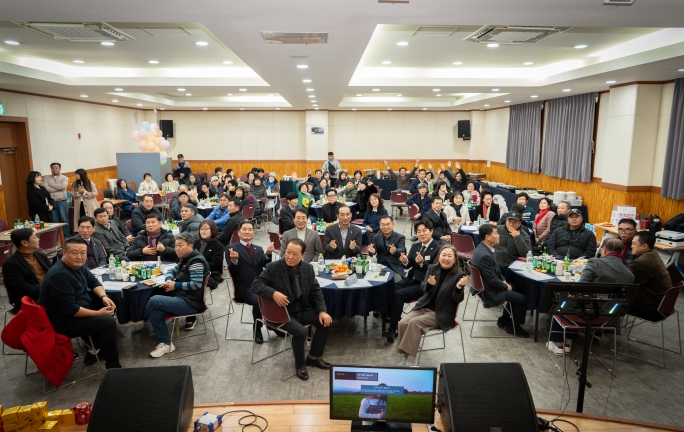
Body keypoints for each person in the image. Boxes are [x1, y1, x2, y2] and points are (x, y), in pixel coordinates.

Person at [252, 239, 332, 381]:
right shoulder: (273, 267)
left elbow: (316, 290)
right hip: (280, 313)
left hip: (301, 309)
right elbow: (256, 285)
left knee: (326, 322)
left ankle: (313, 357)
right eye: (288, 252)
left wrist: (322, 311)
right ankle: (300, 365)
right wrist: (273, 293)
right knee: (300, 332)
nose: (290, 257)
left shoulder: (307, 268)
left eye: (295, 254)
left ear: (303, 255)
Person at [40, 237, 122, 368]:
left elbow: (94, 282)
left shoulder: (78, 266)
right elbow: (70, 309)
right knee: (107, 322)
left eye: (83, 253)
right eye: (74, 253)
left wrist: (104, 297)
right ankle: (113, 366)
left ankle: (97, 347)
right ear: (64, 252)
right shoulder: (60, 275)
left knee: (109, 304)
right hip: (65, 321)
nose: (79, 257)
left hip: (79, 309)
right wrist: (98, 314)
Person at [547, 238, 634, 356]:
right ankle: (569, 341)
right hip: (608, 317)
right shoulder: (630, 275)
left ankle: (558, 344)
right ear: (622, 252)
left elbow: (580, 288)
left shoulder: (595, 262)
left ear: (604, 250)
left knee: (560, 302)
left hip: (584, 313)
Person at [396, 245, 468, 366]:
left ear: (455, 259)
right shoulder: (432, 268)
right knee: (402, 323)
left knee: (414, 323)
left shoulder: (459, 275)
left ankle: (410, 361)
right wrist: (429, 284)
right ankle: (406, 356)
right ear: (439, 257)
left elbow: (458, 298)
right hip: (423, 307)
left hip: (440, 313)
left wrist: (459, 287)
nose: (446, 258)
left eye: (449, 256)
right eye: (443, 255)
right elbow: (423, 288)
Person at [143, 232, 209, 357]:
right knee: (154, 313)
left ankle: (138, 318)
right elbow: (171, 271)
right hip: (182, 297)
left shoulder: (195, 262)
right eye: (176, 245)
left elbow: (196, 284)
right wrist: (169, 280)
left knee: (154, 300)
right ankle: (166, 343)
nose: (177, 248)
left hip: (191, 303)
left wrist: (175, 285)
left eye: (180, 245)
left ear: (190, 246)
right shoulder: (186, 258)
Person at [387, 219, 443, 341]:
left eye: (424, 230)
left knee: (398, 294)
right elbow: (409, 265)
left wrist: (423, 263)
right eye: (419, 231)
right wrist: (405, 261)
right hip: (410, 279)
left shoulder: (438, 249)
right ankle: (394, 318)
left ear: (431, 231)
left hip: (424, 284)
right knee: (389, 288)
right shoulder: (416, 246)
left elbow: (436, 271)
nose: (421, 234)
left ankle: (393, 327)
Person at [470, 223, 529, 337]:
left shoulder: (484, 248)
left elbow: (496, 272)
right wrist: (505, 286)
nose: (499, 235)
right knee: (522, 299)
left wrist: (504, 281)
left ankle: (504, 319)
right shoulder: (484, 255)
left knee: (518, 288)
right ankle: (514, 326)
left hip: (489, 285)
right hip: (489, 291)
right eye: (496, 233)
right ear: (487, 237)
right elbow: (492, 280)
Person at [227, 220, 275, 343]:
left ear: (253, 233)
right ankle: (257, 329)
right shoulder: (232, 248)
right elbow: (233, 271)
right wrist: (234, 261)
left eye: (250, 229)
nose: (247, 232)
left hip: (261, 285)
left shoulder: (258, 248)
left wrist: (268, 254)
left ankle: (273, 324)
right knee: (259, 301)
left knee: (278, 295)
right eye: (244, 229)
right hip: (245, 288)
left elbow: (265, 265)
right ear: (238, 233)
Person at [3, 228, 51, 311]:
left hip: (49, 292)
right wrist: (46, 292)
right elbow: (21, 287)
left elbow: (52, 273)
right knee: (64, 305)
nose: (38, 239)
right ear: (25, 243)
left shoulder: (41, 256)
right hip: (31, 299)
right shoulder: (11, 264)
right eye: (35, 237)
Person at [627, 231, 672, 320]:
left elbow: (625, 282)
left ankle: (607, 326)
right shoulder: (653, 254)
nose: (631, 246)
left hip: (649, 309)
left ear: (644, 246)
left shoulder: (641, 263)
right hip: (662, 304)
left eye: (634, 244)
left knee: (608, 299)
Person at [195, 220, 224, 291]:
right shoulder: (196, 242)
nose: (203, 231)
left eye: (206, 229)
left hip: (210, 273)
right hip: (194, 270)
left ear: (213, 230)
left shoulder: (218, 245)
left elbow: (215, 265)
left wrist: (198, 265)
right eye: (201, 229)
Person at [43, 162, 71, 237]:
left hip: (62, 201)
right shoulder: (46, 178)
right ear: (51, 169)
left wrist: (51, 186)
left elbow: (63, 187)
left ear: (60, 169)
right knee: (54, 221)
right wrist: (58, 188)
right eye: (53, 168)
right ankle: (56, 238)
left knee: (64, 220)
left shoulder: (64, 178)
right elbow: (45, 188)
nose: (54, 169)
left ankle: (67, 237)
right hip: (51, 202)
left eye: (56, 168)